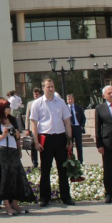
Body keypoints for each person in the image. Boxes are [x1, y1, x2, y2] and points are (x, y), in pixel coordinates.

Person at [0, 99, 35, 215]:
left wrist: (17, 136)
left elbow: (17, 136)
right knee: (4, 179)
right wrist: (2, 136)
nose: (9, 108)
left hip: (13, 151)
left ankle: (15, 204)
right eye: (7, 106)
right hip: (1, 151)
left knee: (17, 176)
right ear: (2, 108)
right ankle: (7, 206)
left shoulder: (12, 119)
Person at [29, 79, 75, 207]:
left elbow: (67, 121)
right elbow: (33, 123)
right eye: (48, 87)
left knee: (63, 169)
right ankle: (44, 198)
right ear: (43, 88)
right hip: (46, 139)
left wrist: (69, 139)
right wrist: (36, 141)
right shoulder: (37, 103)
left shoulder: (61, 102)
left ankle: (65, 197)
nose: (51, 89)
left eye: (52, 87)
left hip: (60, 138)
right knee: (45, 169)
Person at [65, 94, 86, 163]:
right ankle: (71, 161)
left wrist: (81, 126)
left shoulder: (78, 107)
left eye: (71, 99)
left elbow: (83, 118)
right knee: (70, 146)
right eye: (69, 99)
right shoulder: (65, 108)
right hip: (69, 128)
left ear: (73, 99)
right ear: (67, 100)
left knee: (79, 145)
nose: (70, 100)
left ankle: (80, 161)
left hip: (77, 128)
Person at [26, 88, 42, 168]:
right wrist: (27, 129)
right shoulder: (30, 104)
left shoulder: (43, 103)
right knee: (33, 146)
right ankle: (35, 163)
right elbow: (27, 117)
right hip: (32, 128)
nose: (35, 96)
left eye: (37, 94)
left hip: (42, 128)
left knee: (42, 146)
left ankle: (43, 162)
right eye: (34, 94)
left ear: (40, 95)